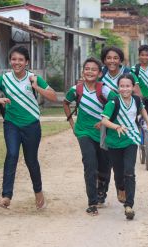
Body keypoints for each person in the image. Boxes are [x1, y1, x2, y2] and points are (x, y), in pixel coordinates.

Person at [0, 46, 57, 209]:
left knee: (31, 160)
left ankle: (38, 192)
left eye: (21, 60)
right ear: (10, 61)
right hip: (11, 124)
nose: (17, 62)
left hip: (31, 125)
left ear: (26, 62)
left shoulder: (33, 78)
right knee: (12, 155)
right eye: (14, 59)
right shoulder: (4, 79)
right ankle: (6, 196)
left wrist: (37, 87)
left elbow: (53, 96)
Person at [63, 57, 117, 216]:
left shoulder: (104, 90)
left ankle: (102, 189)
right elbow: (65, 103)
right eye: (87, 69)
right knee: (89, 164)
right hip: (83, 132)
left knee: (105, 165)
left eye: (94, 69)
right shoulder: (76, 90)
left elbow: (115, 103)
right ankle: (92, 203)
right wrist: (72, 124)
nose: (90, 72)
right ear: (83, 71)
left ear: (100, 73)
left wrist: (106, 120)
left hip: (102, 133)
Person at [101, 73, 148, 220]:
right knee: (118, 173)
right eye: (122, 86)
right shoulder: (113, 102)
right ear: (118, 88)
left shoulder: (136, 100)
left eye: (128, 86)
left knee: (129, 171)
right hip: (114, 143)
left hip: (131, 140)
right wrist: (116, 126)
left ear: (133, 87)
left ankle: (129, 205)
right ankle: (121, 188)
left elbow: (142, 109)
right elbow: (104, 120)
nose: (125, 89)